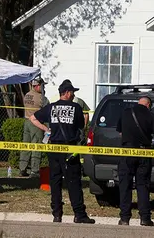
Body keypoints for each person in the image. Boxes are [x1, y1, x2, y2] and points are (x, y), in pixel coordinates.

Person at [30, 79, 95, 224]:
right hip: (69, 149)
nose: (73, 95)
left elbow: (33, 118)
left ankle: (57, 214)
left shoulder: (51, 107)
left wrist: (47, 129)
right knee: (74, 182)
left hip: (54, 148)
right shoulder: (76, 108)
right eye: (72, 92)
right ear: (66, 93)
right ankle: (79, 214)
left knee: (55, 181)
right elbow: (80, 126)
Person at [115, 96, 154, 226]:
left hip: (127, 152)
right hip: (144, 152)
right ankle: (145, 218)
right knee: (142, 185)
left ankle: (125, 218)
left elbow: (120, 132)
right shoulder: (150, 115)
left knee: (125, 185)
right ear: (148, 105)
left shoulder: (126, 112)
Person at [20, 77, 48, 177]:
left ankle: (22, 168)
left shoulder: (27, 95)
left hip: (26, 121)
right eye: (42, 86)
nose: (43, 88)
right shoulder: (41, 98)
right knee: (36, 146)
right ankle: (34, 170)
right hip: (36, 123)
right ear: (37, 86)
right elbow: (46, 110)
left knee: (25, 146)